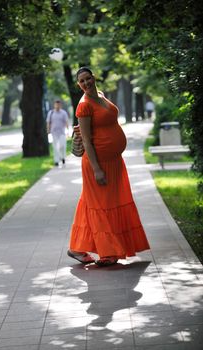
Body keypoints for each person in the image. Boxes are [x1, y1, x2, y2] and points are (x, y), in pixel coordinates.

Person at [67, 67, 150, 267]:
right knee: (102, 206)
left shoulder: (101, 96)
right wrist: (96, 169)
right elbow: (86, 140)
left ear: (94, 78)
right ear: (79, 85)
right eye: (81, 81)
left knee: (94, 203)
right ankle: (108, 252)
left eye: (88, 78)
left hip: (113, 161)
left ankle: (77, 248)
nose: (86, 83)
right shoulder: (84, 106)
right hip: (98, 163)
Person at [46, 100, 69, 166]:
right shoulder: (51, 113)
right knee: (55, 147)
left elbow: (66, 122)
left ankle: (63, 157)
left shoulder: (63, 113)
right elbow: (48, 122)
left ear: (60, 105)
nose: (57, 106)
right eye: (56, 104)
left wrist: (67, 131)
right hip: (54, 132)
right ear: (54, 105)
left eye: (58, 105)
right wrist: (48, 130)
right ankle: (56, 160)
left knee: (62, 146)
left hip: (62, 132)